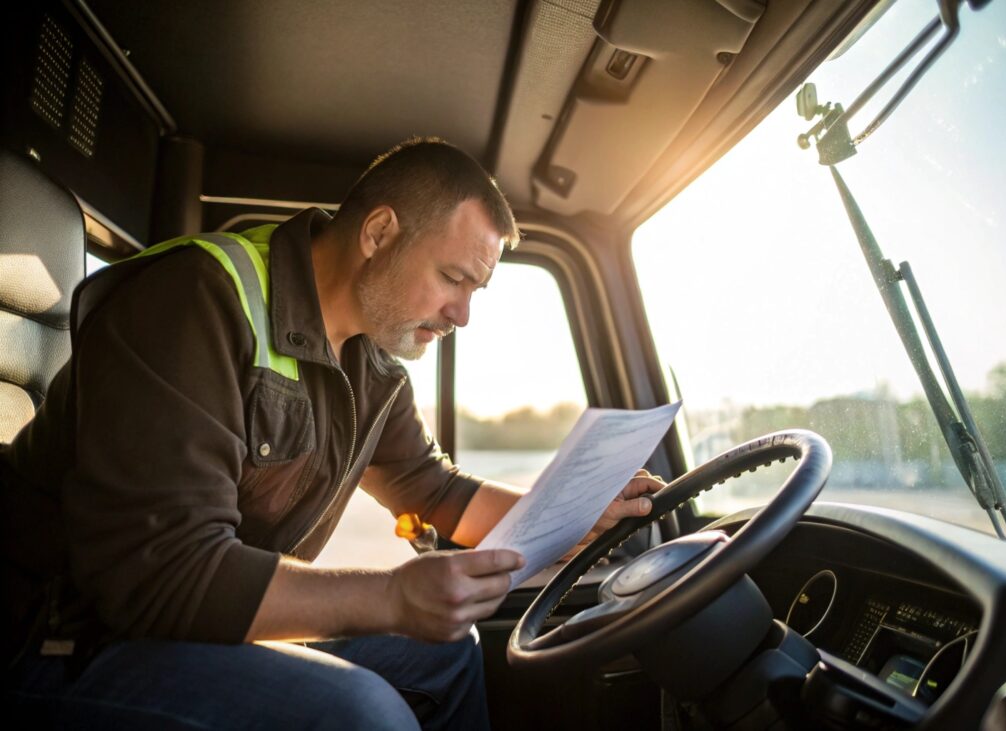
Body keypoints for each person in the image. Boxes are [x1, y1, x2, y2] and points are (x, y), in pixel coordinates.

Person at [2, 138, 663, 729]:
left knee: (448, 652)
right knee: (359, 711)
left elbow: (430, 488)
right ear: (378, 232)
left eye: (475, 289)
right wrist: (391, 597)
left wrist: (576, 511)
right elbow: (167, 574)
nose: (462, 313)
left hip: (189, 626)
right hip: (60, 642)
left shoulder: (371, 364)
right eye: (454, 278)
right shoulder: (193, 298)